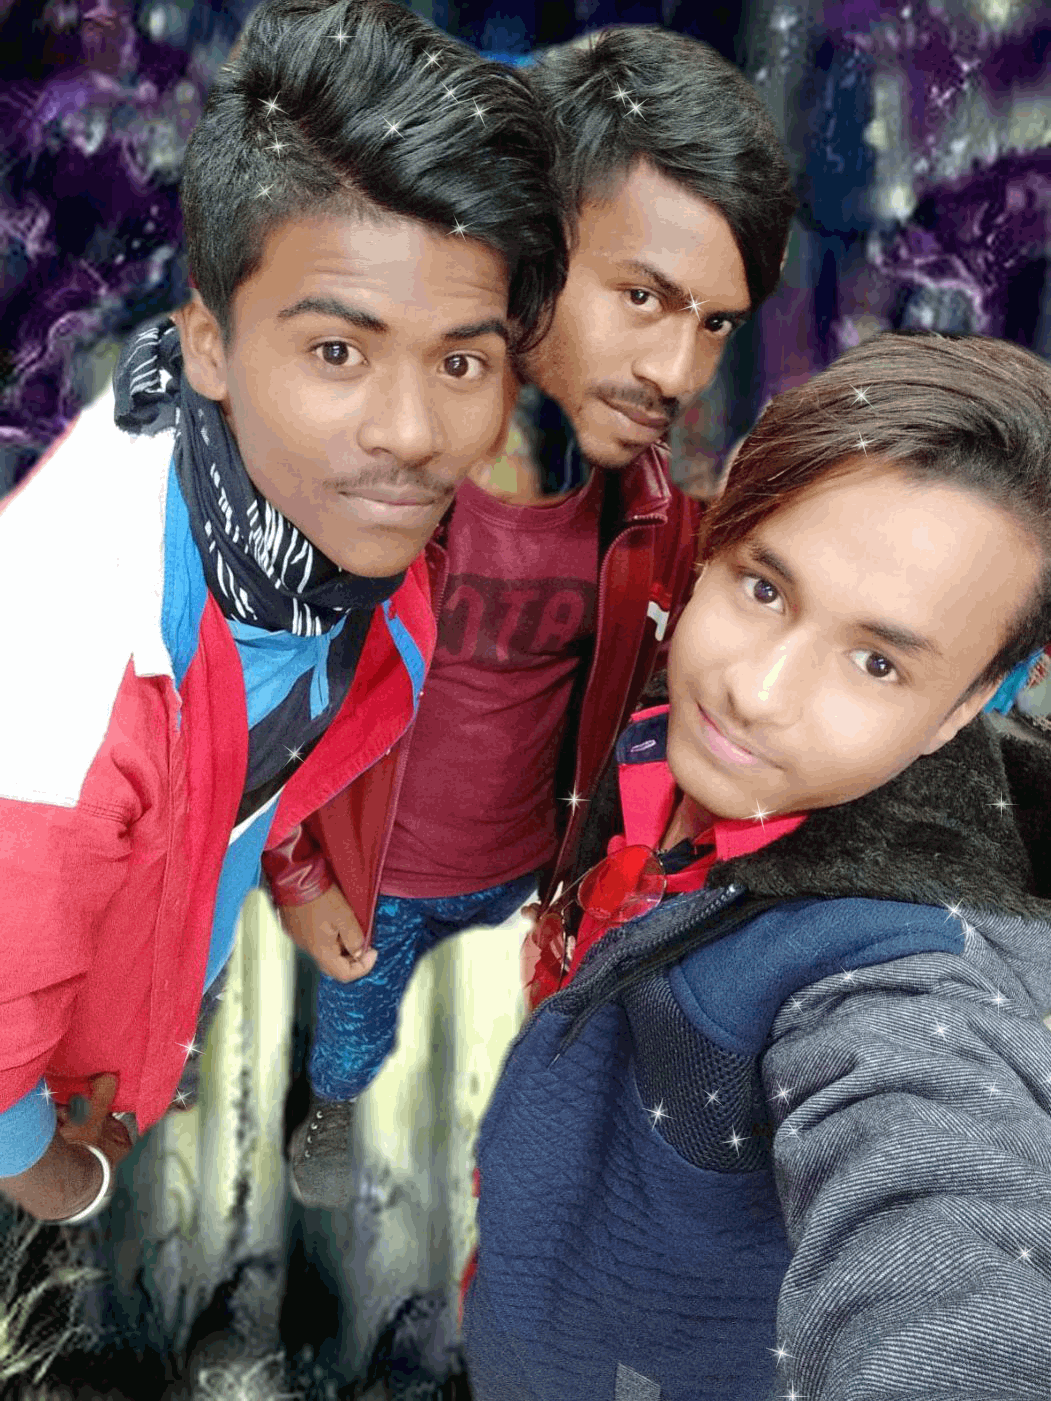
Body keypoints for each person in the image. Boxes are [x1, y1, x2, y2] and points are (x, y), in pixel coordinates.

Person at [0, 0, 567, 1225]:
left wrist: (290, 861)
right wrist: (62, 1178)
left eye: (460, 362)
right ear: (210, 344)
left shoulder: (307, 521)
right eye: (338, 354)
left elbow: (267, 752)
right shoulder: (63, 689)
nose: (412, 436)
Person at [261, 24, 797, 1210]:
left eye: (714, 322)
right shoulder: (361, 472)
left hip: (524, 865)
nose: (678, 370)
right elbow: (266, 688)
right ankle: (332, 1101)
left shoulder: (649, 511)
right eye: (643, 296)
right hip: (378, 869)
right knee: (353, 1028)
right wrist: (297, 873)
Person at [460, 330, 1051, 1400]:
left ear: (962, 708)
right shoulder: (656, 715)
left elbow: (945, 1232)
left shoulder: (899, 981)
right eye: (765, 590)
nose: (755, 692)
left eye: (876, 662)